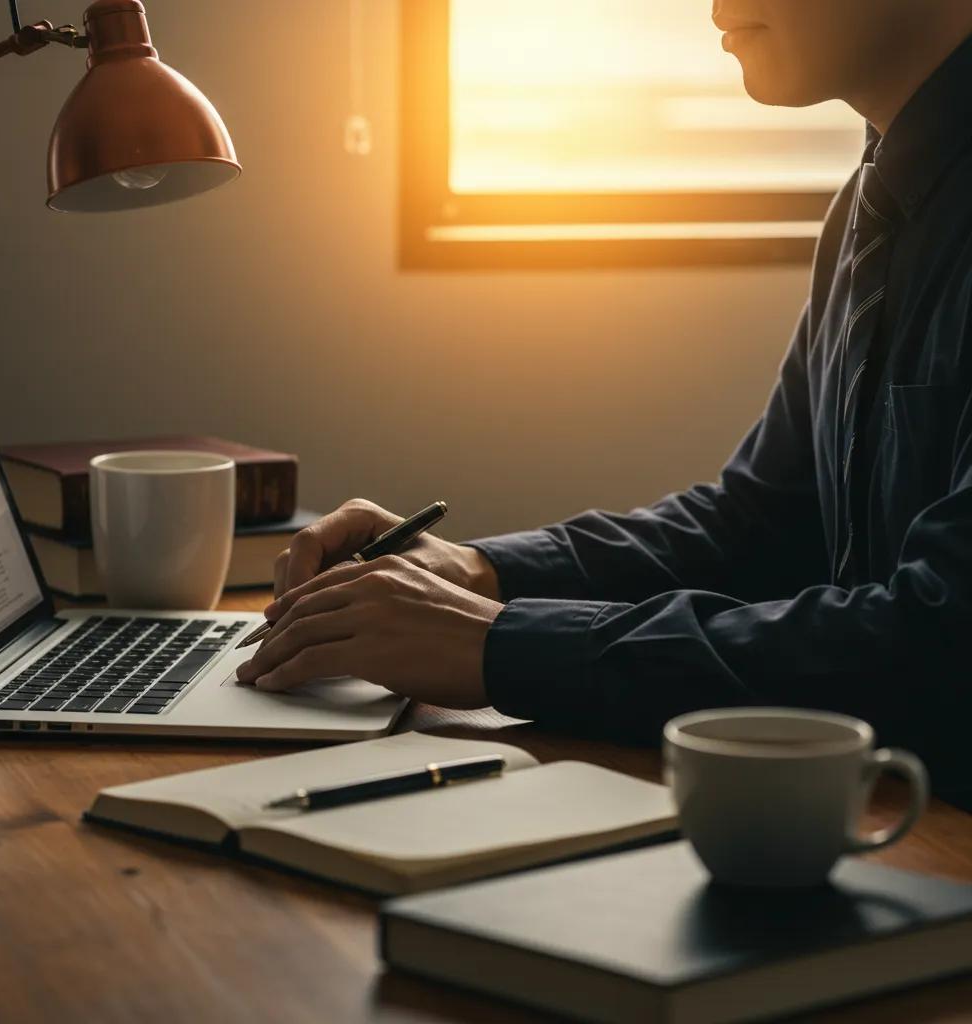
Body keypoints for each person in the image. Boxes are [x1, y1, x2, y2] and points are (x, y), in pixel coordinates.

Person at [238, 1, 972, 805]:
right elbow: (762, 523)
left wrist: (497, 646)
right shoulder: (873, 200)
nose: (718, 6)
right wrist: (480, 573)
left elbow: (939, 639)